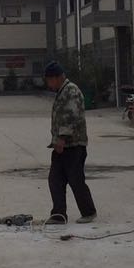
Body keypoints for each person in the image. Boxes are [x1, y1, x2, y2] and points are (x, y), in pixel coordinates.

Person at [43, 61, 97, 224]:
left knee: (76, 180)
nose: (48, 84)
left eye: (49, 80)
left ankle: (88, 211)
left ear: (57, 77)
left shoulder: (71, 91)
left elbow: (72, 117)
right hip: (62, 145)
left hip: (73, 145)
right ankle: (58, 214)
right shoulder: (62, 91)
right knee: (55, 179)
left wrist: (62, 138)